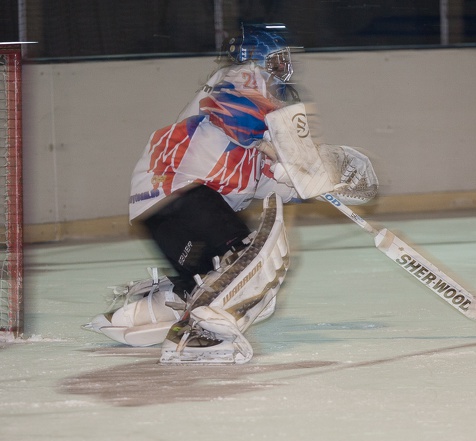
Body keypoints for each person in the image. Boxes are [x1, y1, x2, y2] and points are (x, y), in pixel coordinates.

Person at [84, 24, 378, 364]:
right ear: (253, 58)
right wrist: (295, 157)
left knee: (212, 275)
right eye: (276, 61)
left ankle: (160, 306)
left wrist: (318, 180)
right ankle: (202, 334)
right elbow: (242, 118)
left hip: (168, 210)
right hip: (182, 192)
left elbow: (279, 183)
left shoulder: (251, 153)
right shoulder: (241, 77)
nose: (283, 70)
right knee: (249, 261)